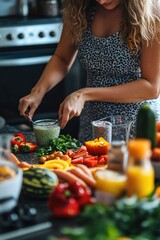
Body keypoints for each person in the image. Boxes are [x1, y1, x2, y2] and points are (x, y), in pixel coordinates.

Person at [18, 0, 160, 143]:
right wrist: (38, 91)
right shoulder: (80, 8)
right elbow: (62, 58)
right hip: (93, 122)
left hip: (137, 126)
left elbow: (151, 87)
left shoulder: (151, 15)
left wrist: (84, 94)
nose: (101, 0)